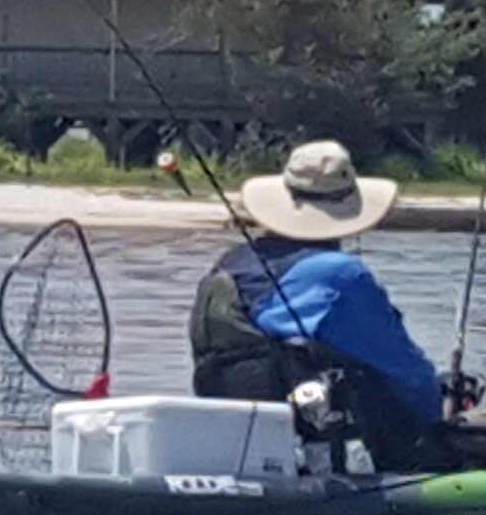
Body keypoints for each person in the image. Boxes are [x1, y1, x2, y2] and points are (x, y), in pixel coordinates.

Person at [188, 141, 450, 468]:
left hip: (243, 434)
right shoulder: (341, 275)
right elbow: (408, 375)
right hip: (325, 443)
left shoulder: (231, 264)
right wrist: (439, 410)